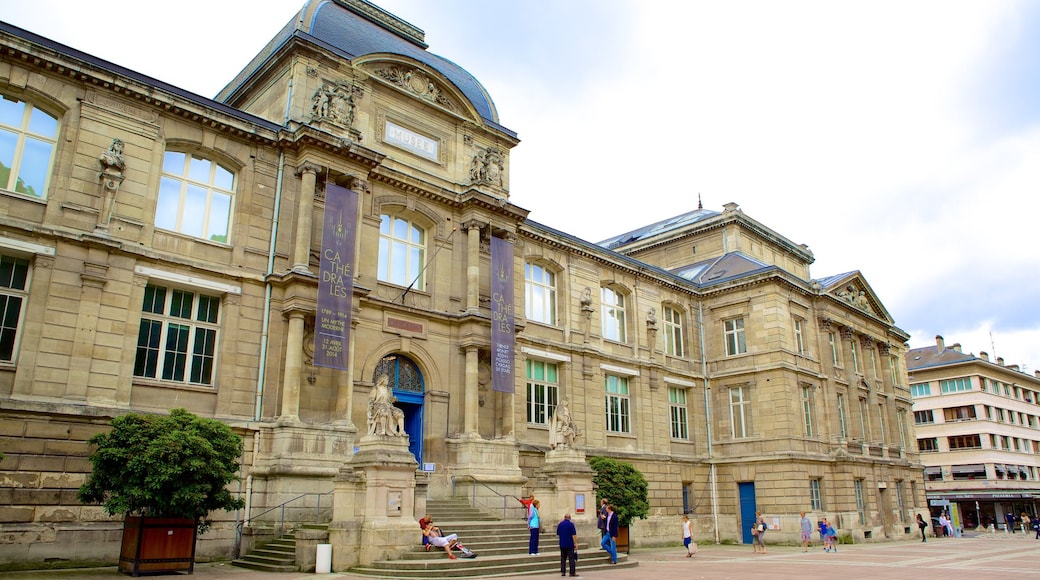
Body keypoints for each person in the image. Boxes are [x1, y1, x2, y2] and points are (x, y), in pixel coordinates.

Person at [557, 512, 578, 577]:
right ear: (570, 518)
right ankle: (572, 572)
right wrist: (576, 543)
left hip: (562, 543)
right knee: (571, 558)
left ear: (564, 517)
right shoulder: (571, 524)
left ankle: (563, 572)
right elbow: (573, 535)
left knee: (563, 558)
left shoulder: (560, 524)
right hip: (569, 544)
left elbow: (558, 533)